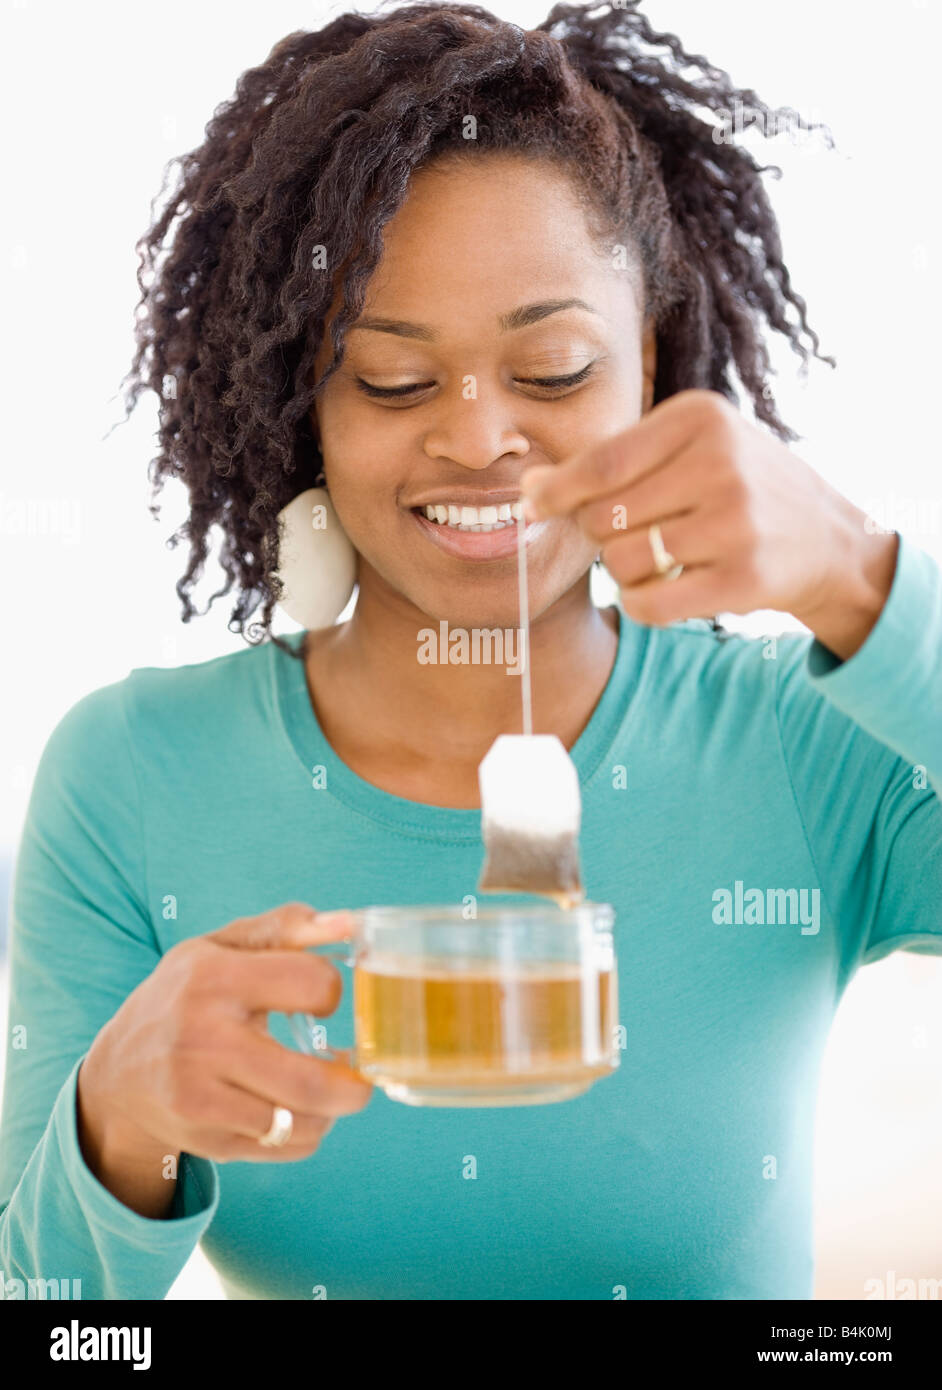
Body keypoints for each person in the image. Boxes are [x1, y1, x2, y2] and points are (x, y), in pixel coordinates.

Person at [1, 1, 939, 1301]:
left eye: (551, 369)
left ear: (650, 364)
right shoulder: (127, 775)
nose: (477, 438)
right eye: (390, 380)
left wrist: (859, 572)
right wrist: (116, 1121)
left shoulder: (809, 747)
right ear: (304, 402)